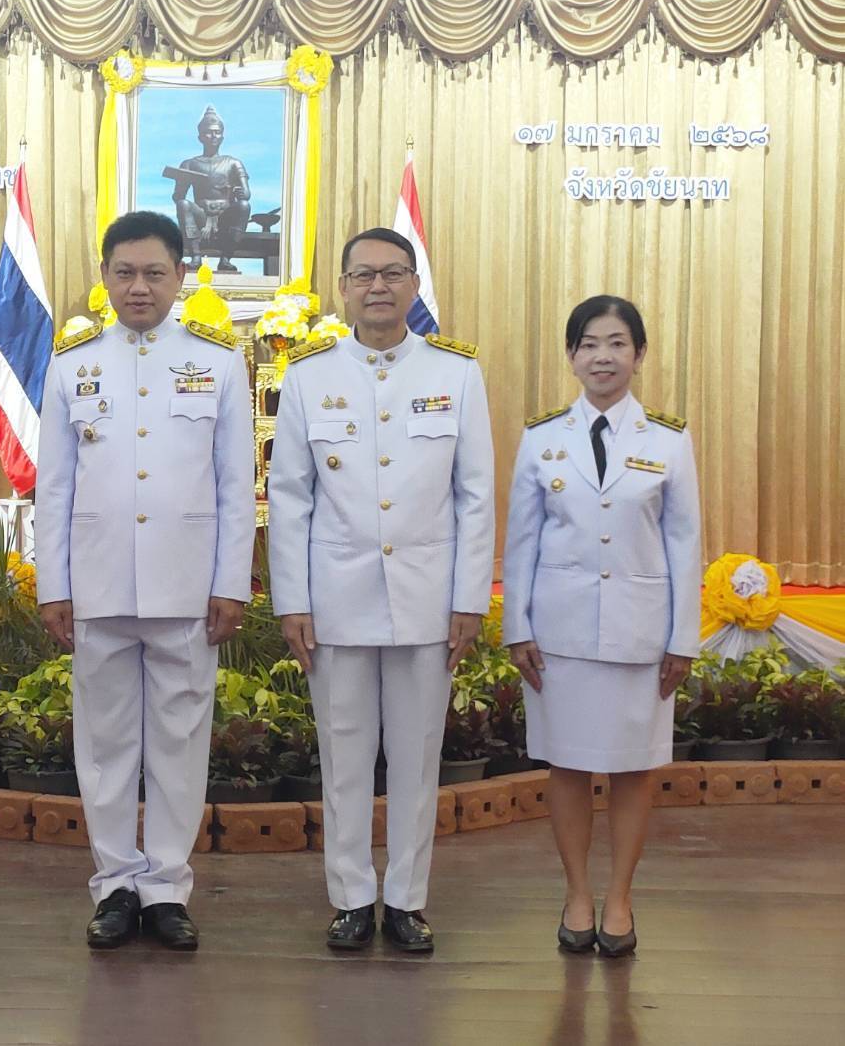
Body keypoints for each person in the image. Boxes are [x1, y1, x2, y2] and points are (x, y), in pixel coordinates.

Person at [268, 228, 495, 953]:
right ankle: (350, 897)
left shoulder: (455, 373)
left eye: (393, 273)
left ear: (413, 285)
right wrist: (292, 600)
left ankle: (405, 899)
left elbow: (475, 495)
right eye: (363, 275)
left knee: (417, 755)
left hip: (427, 598)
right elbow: (290, 496)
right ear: (342, 288)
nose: (377, 287)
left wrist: (469, 598)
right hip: (335, 598)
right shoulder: (309, 376)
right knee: (343, 754)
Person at [34, 210, 255, 951]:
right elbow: (54, 487)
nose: (139, 286)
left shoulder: (218, 363)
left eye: (154, 273)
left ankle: (165, 888)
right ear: (103, 277)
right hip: (97, 583)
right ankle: (114, 886)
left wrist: (231, 583)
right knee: (103, 746)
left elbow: (235, 484)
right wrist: (53, 585)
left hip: (185, 584)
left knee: (179, 743)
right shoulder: (72, 365)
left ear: (180, 277)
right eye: (124, 272)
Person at [502, 294, 701, 958]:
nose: (602, 357)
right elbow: (521, 541)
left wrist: (682, 638)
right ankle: (577, 895)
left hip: (640, 633)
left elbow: (684, 544)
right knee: (565, 764)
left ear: (638, 355)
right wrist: (516, 627)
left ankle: (618, 897)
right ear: (570, 356)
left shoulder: (668, 439)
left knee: (632, 769)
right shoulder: (542, 437)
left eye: (617, 343)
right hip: (556, 636)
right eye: (588, 344)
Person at [168, 105, 251, 272]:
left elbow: (246, 194)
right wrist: (180, 183)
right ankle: (196, 256)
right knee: (183, 204)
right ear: (200, 137)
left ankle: (226, 258)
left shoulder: (233, 163)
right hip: (201, 215)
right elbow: (178, 197)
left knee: (244, 206)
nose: (213, 136)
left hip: (225, 217)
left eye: (217, 132)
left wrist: (241, 193)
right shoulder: (189, 164)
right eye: (208, 132)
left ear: (222, 136)